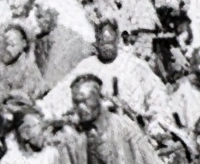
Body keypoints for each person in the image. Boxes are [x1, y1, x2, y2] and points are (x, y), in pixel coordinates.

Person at [39, 20, 170, 129]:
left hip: (132, 126)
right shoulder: (86, 66)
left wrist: (156, 121)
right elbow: (64, 90)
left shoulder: (135, 65)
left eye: (110, 43)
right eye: (103, 43)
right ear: (96, 42)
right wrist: (44, 109)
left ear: (117, 40)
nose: (107, 48)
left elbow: (157, 93)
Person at [32, 0, 95, 92]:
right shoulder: (41, 39)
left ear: (53, 15)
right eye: (37, 17)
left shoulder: (68, 39)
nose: (37, 22)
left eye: (40, 17)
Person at [0, 23, 45, 107]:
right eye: (5, 44)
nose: (7, 49)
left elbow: (30, 98)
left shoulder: (28, 69)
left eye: (12, 45)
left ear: (23, 44)